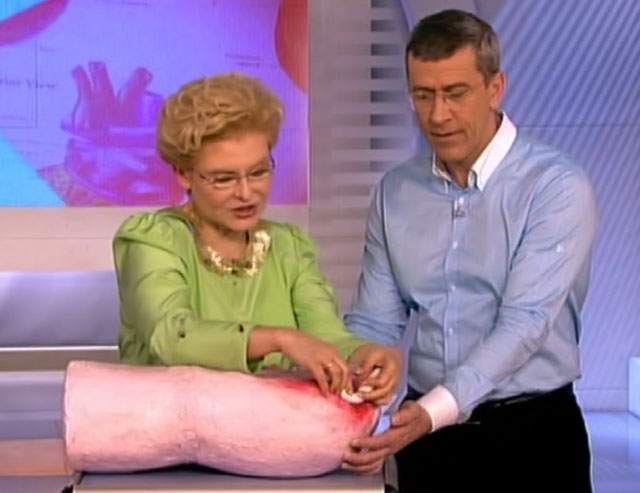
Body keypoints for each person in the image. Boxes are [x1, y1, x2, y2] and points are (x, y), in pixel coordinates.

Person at [342, 9, 597, 492]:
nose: (438, 115)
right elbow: (375, 321)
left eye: (455, 93)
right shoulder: (395, 191)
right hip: (425, 441)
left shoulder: (556, 186)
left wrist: (433, 411)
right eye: (423, 95)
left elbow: (524, 324)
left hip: (533, 438)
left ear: (495, 88)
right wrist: (355, 382)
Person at [113, 72, 401, 403]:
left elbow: (327, 337)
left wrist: (367, 355)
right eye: (224, 178)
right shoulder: (155, 241)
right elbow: (171, 338)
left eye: (259, 171)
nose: (246, 193)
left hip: (277, 431)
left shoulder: (289, 247)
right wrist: (280, 339)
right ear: (183, 173)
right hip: (173, 431)